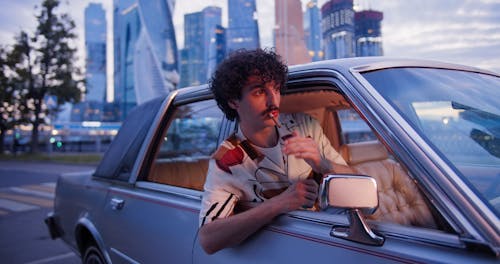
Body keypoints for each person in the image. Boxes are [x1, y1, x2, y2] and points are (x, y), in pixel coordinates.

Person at [198, 48, 353, 254]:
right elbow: (208, 240)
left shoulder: (305, 127)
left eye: (277, 89)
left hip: (330, 240)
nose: (274, 102)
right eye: (259, 92)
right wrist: (279, 203)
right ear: (234, 101)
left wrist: (322, 163)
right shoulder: (227, 160)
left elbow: (357, 182)